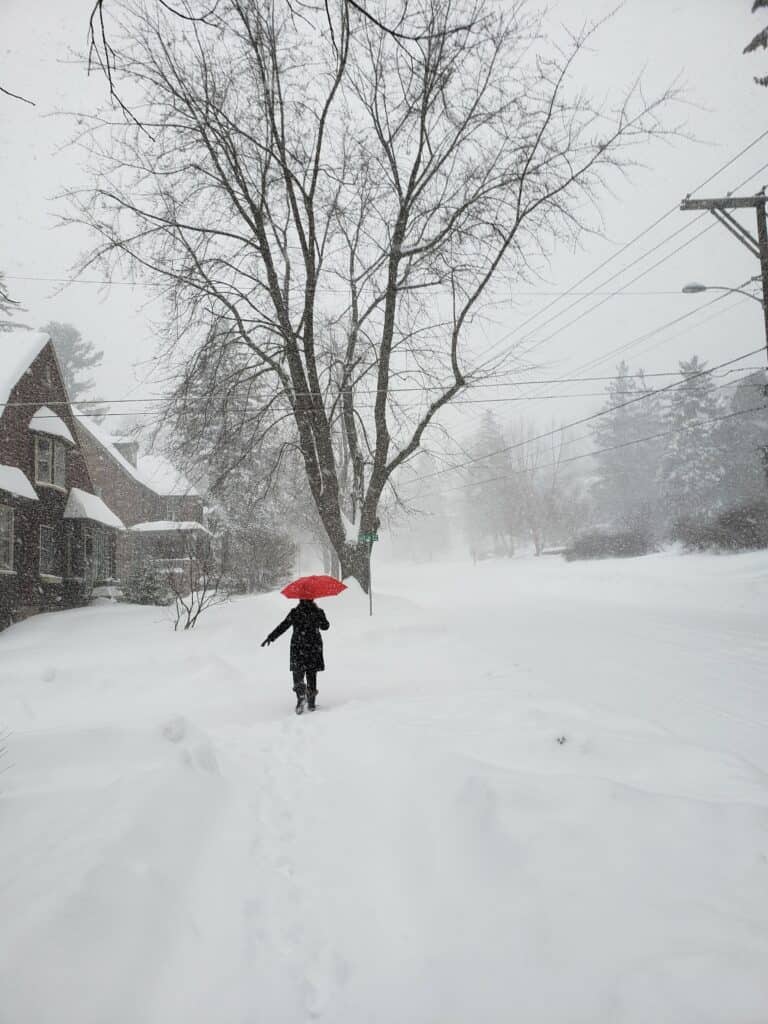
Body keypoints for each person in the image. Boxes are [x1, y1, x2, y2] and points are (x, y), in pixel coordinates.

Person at [261, 599, 330, 713]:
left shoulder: (295, 612)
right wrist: (319, 618)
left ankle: (301, 696)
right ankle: (311, 703)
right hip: (313, 646)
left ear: (300, 600)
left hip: (298, 646)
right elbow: (326, 626)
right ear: (313, 599)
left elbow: (283, 626)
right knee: (311, 673)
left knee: (298, 673)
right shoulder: (318, 611)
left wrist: (271, 637)